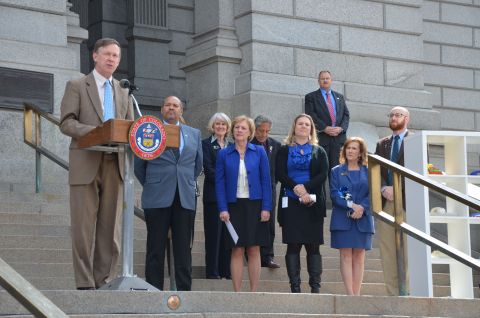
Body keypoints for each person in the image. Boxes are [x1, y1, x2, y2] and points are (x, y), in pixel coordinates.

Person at [59, 38, 133, 290]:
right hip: (86, 161)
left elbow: (130, 129)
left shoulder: (123, 91)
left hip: (115, 163)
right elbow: (66, 123)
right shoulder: (77, 85)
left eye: (116, 56)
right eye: (107, 55)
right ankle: (84, 283)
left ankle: (105, 281)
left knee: (110, 230)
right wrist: (98, 131)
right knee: (82, 228)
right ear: (95, 56)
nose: (112, 59)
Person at [134, 96, 203, 291]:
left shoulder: (194, 134)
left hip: (184, 197)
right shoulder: (150, 129)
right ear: (161, 109)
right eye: (167, 105)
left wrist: (183, 181)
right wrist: (154, 183)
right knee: (155, 248)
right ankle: (154, 291)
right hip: (157, 196)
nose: (171, 108)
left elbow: (197, 165)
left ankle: (183, 291)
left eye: (175, 105)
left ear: (181, 110)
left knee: (183, 250)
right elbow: (139, 165)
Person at [216, 115, 272, 292]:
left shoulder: (259, 151)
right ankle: (237, 292)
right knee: (237, 249)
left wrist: (266, 207)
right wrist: (223, 208)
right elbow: (219, 182)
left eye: (243, 128)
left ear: (249, 133)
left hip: (255, 205)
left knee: (254, 248)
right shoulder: (224, 153)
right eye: (237, 128)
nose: (239, 130)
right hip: (233, 206)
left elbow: (266, 181)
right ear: (232, 131)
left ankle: (254, 291)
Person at [276, 114, 329, 293]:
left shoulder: (319, 151)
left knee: (313, 246)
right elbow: (280, 173)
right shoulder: (283, 150)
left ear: (311, 129)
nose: (303, 126)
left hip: (312, 203)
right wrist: (296, 188)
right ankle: (295, 287)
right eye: (300, 123)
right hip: (290, 203)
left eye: (307, 124)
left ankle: (315, 287)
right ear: (294, 126)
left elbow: (323, 174)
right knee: (293, 245)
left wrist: (306, 189)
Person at [330, 137, 375, 295]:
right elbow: (336, 194)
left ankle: (357, 294)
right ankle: (350, 294)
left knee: (359, 255)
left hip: (364, 218)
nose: (350, 151)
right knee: (346, 255)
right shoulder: (337, 171)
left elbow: (373, 193)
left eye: (354, 148)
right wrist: (352, 205)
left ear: (361, 152)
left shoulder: (369, 171)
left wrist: (362, 207)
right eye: (348, 148)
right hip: (343, 218)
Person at [374, 106, 411, 296]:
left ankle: (409, 292)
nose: (394, 118)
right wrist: (383, 188)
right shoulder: (382, 144)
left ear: (407, 118)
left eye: (398, 115)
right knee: (388, 249)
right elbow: (376, 170)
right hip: (386, 202)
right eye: (391, 115)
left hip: (408, 202)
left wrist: (398, 188)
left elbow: (420, 171)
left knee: (409, 252)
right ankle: (393, 293)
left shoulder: (416, 141)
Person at [202, 112, 232, 279]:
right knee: (214, 235)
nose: (220, 127)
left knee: (227, 236)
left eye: (223, 124)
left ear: (228, 127)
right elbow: (209, 169)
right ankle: (212, 272)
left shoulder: (233, 146)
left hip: (231, 198)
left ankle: (226, 271)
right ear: (212, 126)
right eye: (217, 124)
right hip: (213, 197)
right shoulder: (205, 145)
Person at [251, 115, 282, 269]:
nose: (263, 134)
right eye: (260, 131)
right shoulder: (248, 144)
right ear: (254, 129)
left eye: (267, 131)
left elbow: (277, 169)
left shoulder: (275, 145)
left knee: (269, 224)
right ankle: (250, 254)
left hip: (269, 190)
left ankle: (268, 256)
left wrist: (272, 184)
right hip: (251, 191)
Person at [304, 70, 350, 169]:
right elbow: (310, 115)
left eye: (327, 78)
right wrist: (324, 128)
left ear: (331, 80)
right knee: (320, 170)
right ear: (318, 81)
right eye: (322, 79)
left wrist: (341, 128)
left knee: (338, 171)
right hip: (321, 139)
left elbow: (346, 115)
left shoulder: (339, 97)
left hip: (338, 140)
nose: (325, 80)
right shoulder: (311, 97)